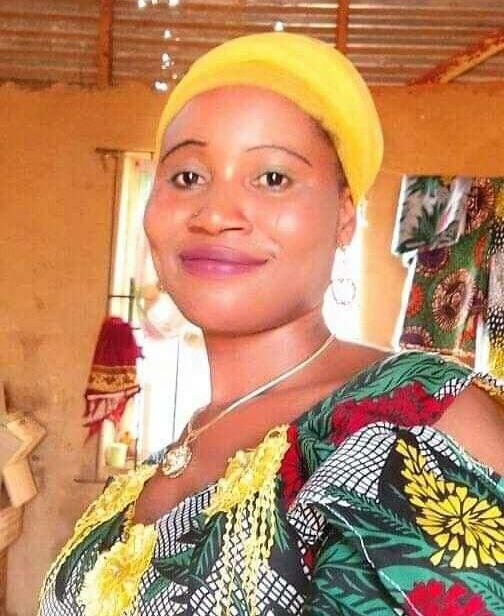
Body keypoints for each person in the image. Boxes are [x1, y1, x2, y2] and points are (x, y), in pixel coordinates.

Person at [38, 32, 504, 616]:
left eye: (272, 178)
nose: (215, 214)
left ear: (344, 217)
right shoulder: (167, 456)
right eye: (187, 176)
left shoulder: (413, 416)